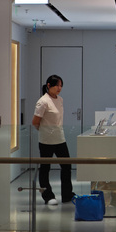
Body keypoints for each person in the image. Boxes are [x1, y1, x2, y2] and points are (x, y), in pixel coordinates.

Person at [32, 74, 76, 205]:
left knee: (66, 166)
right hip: (46, 140)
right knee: (45, 168)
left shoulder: (60, 99)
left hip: (60, 138)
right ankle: (48, 196)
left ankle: (67, 194)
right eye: (57, 85)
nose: (59, 88)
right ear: (49, 86)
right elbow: (35, 122)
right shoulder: (43, 101)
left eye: (61, 85)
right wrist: (46, 131)